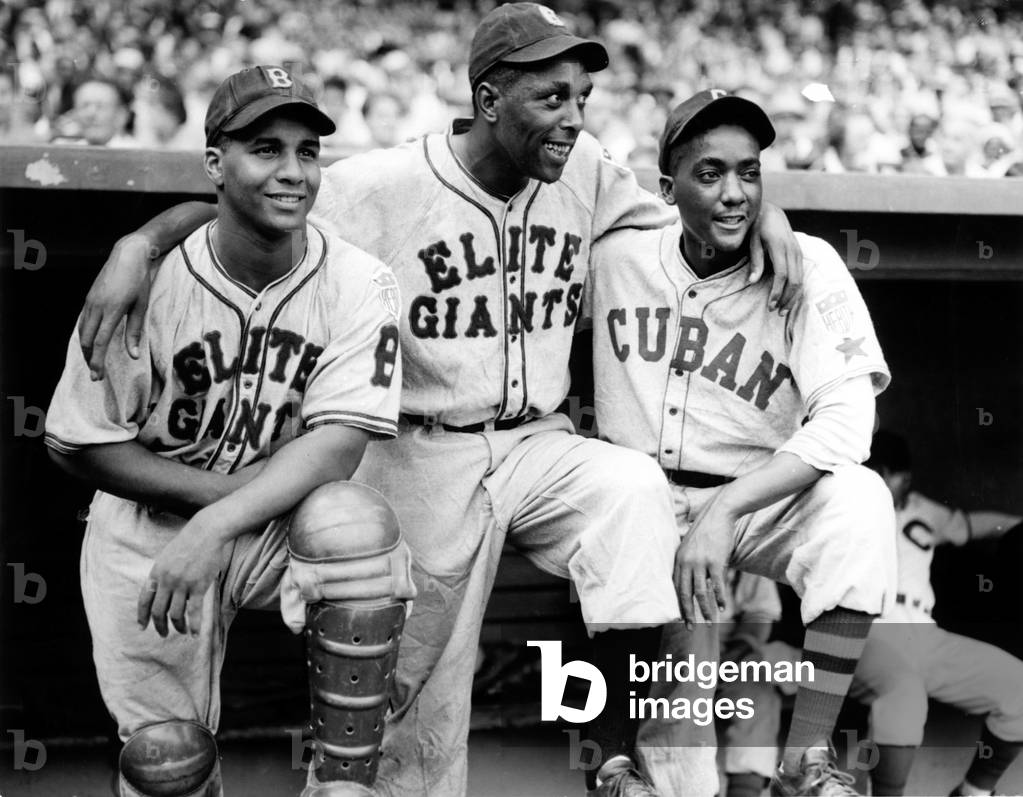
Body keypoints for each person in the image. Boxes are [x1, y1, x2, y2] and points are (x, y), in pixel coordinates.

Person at [68, 6, 805, 795]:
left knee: (635, 495)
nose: (573, 117)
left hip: (537, 443)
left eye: (581, 97)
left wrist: (766, 207)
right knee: (407, 718)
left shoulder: (584, 167)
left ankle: (639, 768)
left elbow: (690, 211)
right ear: (489, 101)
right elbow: (253, 208)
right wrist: (140, 244)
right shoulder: (382, 185)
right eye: (551, 97)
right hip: (420, 451)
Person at [44, 65, 411, 797]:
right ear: (215, 163)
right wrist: (213, 505)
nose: (293, 171)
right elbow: (78, 442)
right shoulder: (147, 280)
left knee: (353, 524)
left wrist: (221, 519)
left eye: (307, 151)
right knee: (164, 762)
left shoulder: (359, 280)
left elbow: (340, 441)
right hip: (152, 526)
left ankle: (343, 782)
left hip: (276, 520)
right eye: (265, 149)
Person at [585, 89, 898, 795]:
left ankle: (804, 756)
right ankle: (608, 766)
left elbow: (849, 422)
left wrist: (726, 512)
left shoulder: (805, 263)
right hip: (641, 505)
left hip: (752, 504)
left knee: (859, 498)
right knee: (678, 756)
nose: (735, 194)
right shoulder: (616, 255)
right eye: (710, 174)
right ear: (665, 189)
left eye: (749, 173)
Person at [850, 430, 1023, 797]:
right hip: (869, 629)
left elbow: (976, 524)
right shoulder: (842, 508)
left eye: (892, 474)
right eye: (875, 470)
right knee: (904, 692)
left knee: (1018, 686)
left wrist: (1018, 523)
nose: (886, 482)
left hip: (923, 631)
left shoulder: (924, 509)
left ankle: (973, 793)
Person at [52, 78, 137, 147]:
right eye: (84, 106)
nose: (91, 114)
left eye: (100, 106)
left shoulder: (137, 154)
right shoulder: (62, 150)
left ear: (120, 116)